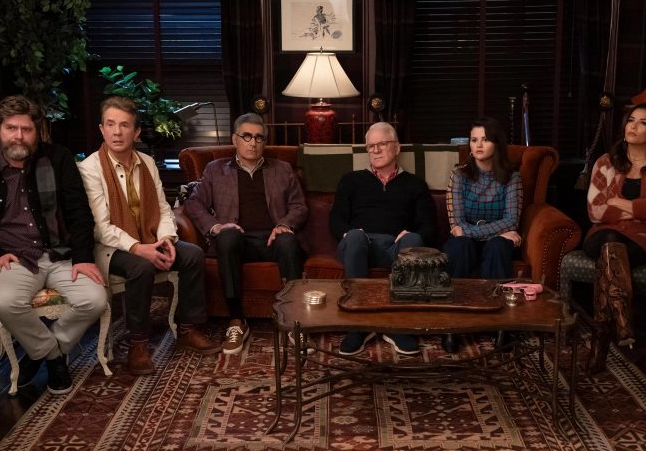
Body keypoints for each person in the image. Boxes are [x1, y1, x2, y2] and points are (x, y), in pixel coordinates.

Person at [0, 95, 108, 395]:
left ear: (37, 131)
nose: (19, 136)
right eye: (11, 128)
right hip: (13, 258)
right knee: (4, 302)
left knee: (95, 300)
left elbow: (79, 212)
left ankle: (41, 353)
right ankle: (53, 357)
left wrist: (83, 257)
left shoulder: (58, 159)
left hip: (60, 254)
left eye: (26, 129)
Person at [79, 97, 220, 376]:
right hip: (110, 248)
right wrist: (137, 247)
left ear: (136, 132)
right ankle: (138, 344)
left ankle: (188, 329)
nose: (117, 132)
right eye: (110, 125)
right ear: (101, 129)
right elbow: (99, 227)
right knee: (140, 266)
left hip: (150, 237)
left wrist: (166, 239)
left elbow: (164, 208)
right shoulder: (89, 168)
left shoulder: (147, 163)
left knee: (193, 254)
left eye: (124, 125)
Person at [183, 112, 308, 355]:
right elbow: (194, 203)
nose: (253, 143)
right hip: (236, 241)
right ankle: (236, 320)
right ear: (235, 139)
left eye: (259, 138)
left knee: (288, 240)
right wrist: (216, 226)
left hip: (272, 239)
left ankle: (294, 320)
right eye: (247, 136)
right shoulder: (216, 169)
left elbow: (299, 206)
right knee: (227, 237)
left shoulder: (282, 169)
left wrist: (284, 224)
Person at [583, 102, 646, 374]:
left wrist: (617, 202)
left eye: (643, 122)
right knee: (609, 240)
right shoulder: (605, 162)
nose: (634, 126)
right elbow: (594, 211)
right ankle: (623, 321)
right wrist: (638, 209)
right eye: (631, 120)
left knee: (610, 248)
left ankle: (601, 338)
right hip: (603, 232)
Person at [329, 122, 437, 356]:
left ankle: (397, 324)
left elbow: (429, 226)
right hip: (359, 245)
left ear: (397, 148)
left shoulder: (415, 184)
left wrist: (411, 234)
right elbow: (336, 219)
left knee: (414, 241)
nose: (376, 150)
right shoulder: (351, 180)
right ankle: (358, 326)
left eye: (382, 144)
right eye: (371, 146)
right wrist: (349, 233)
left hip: (396, 247)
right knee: (355, 237)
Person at [440, 117, 523, 353]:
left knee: (498, 246)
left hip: (494, 241)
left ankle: (500, 326)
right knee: (460, 245)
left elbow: (512, 220)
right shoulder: (459, 175)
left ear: (497, 143)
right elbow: (456, 224)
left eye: (485, 140)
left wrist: (471, 230)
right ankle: (452, 324)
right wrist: (497, 230)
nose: (478, 145)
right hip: (468, 241)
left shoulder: (512, 177)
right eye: (474, 140)